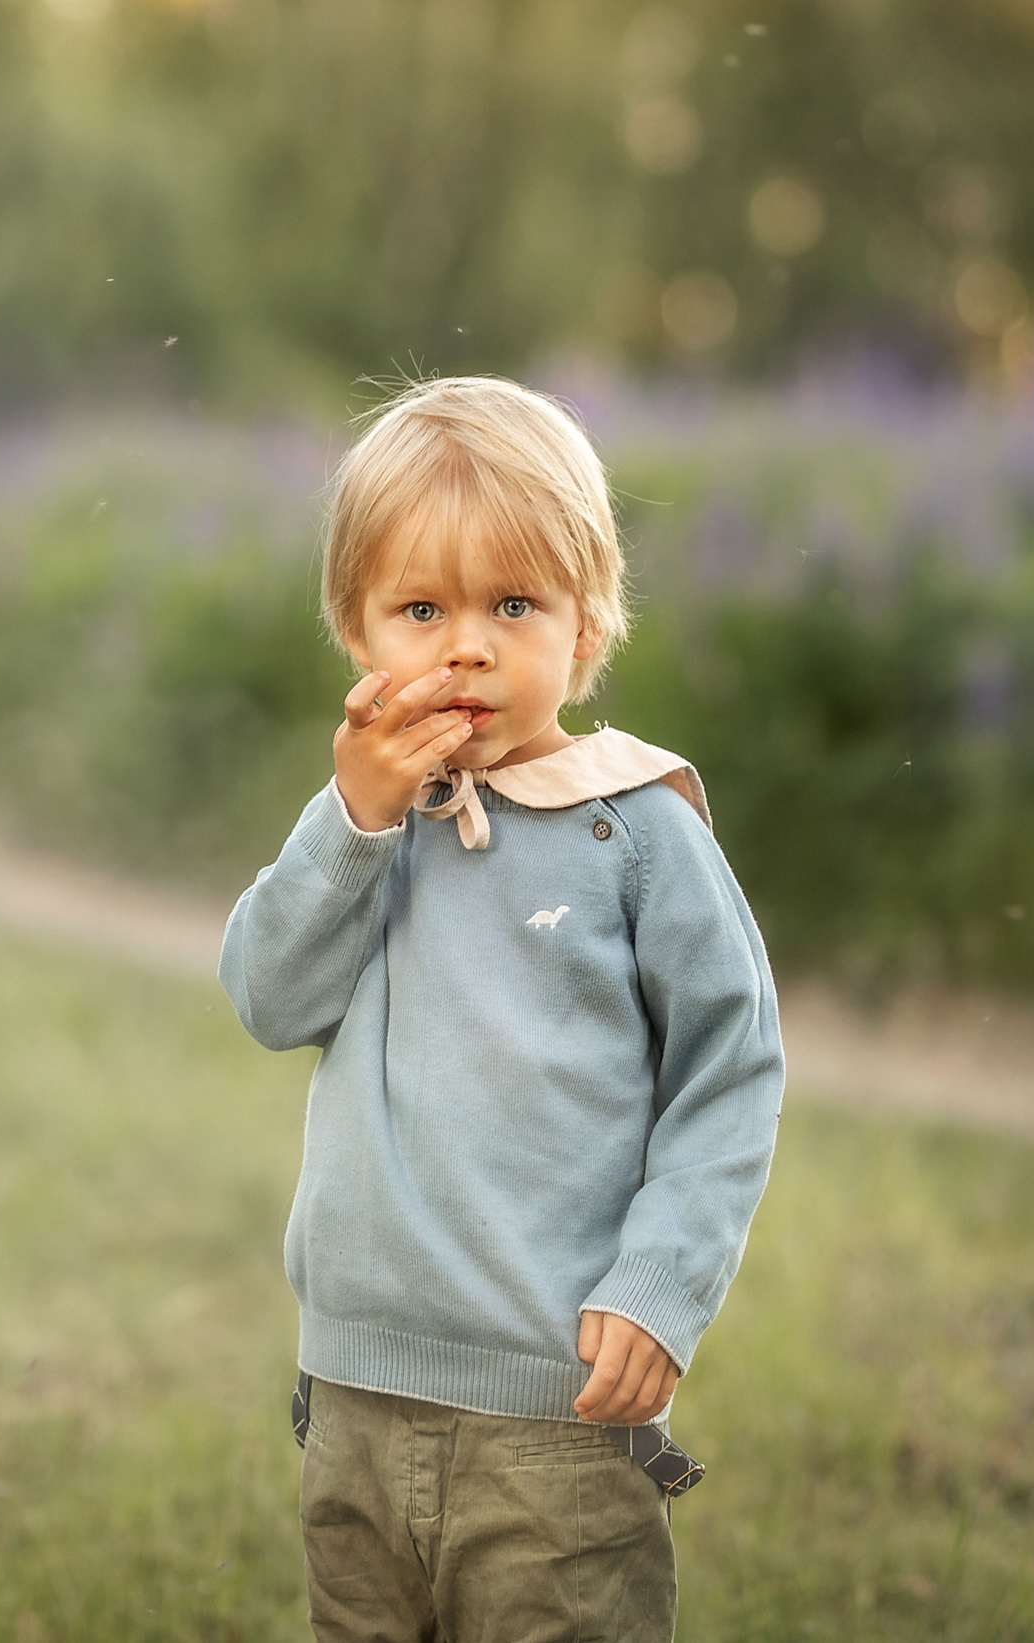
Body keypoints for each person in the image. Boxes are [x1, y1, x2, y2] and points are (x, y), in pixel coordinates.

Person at [218, 376, 785, 1642]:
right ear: (359, 636)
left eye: (511, 604)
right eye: (420, 609)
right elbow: (266, 997)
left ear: (584, 628)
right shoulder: (369, 827)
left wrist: (660, 1284)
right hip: (355, 1382)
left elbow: (730, 1068)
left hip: (555, 1410)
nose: (464, 644)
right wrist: (353, 821)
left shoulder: (633, 830)